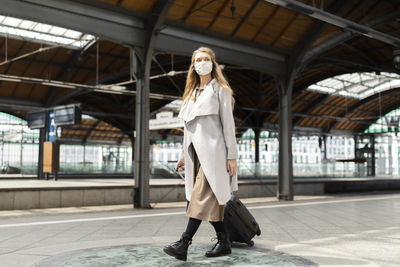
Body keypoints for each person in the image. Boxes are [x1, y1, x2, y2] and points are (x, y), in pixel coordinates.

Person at [163, 47, 238, 261]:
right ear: (193, 65)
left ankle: (183, 243)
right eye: (198, 60)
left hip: (214, 154)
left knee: (199, 196)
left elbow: (228, 126)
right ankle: (224, 242)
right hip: (195, 155)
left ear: (213, 64)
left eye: (206, 59)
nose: (202, 63)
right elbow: (188, 131)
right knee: (210, 199)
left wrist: (232, 156)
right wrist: (182, 156)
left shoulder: (220, 90)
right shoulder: (191, 93)